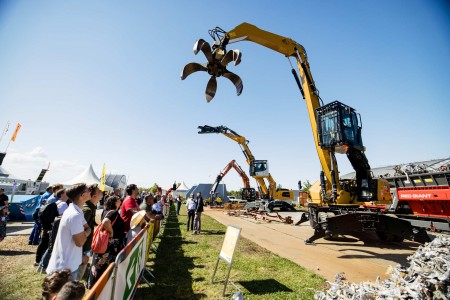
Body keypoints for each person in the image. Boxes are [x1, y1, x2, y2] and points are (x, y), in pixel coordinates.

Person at [46, 183, 92, 279]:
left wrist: (85, 233)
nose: (90, 192)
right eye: (88, 190)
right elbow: (80, 242)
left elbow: (87, 228)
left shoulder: (75, 211)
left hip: (68, 265)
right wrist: (86, 233)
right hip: (65, 269)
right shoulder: (74, 215)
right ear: (82, 195)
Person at [87, 195, 125, 289]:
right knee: (102, 266)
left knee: (98, 265)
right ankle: (99, 288)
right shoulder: (113, 213)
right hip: (110, 245)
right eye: (118, 200)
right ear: (115, 202)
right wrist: (111, 232)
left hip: (105, 244)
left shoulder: (106, 211)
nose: (120, 201)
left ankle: (94, 286)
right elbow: (105, 222)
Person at [77, 184, 103, 280]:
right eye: (99, 190)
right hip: (82, 249)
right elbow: (78, 233)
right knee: (77, 275)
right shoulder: (87, 210)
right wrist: (81, 253)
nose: (102, 191)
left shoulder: (91, 208)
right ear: (94, 196)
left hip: (85, 247)